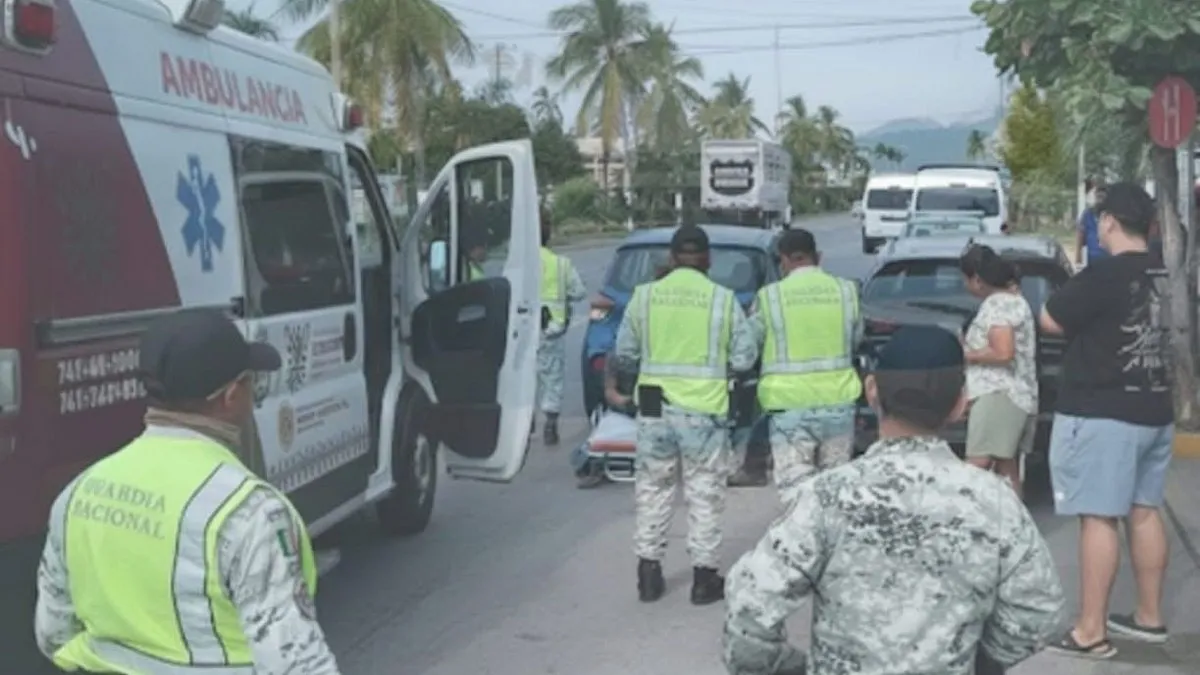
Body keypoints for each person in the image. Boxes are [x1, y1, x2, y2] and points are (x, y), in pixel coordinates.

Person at [723, 325, 1065, 675]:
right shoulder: (995, 501)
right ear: (961, 403)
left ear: (872, 391)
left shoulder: (827, 496)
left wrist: (790, 667)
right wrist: (981, 663)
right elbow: (1037, 612)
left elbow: (749, 608)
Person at [34, 308, 340, 675]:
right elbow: (297, 664)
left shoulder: (77, 496)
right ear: (230, 396)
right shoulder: (249, 511)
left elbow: (53, 634)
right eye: (251, 383)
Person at [1039, 182, 1174, 659]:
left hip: (1103, 412)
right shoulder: (1167, 275)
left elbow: (1051, 318)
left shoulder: (1104, 275)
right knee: (1144, 509)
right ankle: (1149, 616)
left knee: (1098, 517)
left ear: (1110, 222)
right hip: (1155, 408)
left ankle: (1090, 630)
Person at [612, 224, 758, 605]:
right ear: (707, 259)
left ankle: (648, 573)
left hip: (652, 405)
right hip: (703, 407)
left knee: (653, 488)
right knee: (704, 493)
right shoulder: (723, 300)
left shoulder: (644, 297)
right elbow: (744, 358)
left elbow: (625, 353)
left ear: (673, 258)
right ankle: (704, 580)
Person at [747, 228, 861, 507]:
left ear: (783, 260)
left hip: (789, 409)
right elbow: (855, 340)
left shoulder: (769, 297)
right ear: (818, 257)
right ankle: (831, 549)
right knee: (835, 493)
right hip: (838, 403)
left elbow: (750, 346)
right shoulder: (846, 291)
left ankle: (803, 548)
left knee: (796, 496)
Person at [960, 244, 1038, 497]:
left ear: (978, 279)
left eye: (965, 279)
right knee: (1006, 464)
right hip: (1012, 395)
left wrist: (964, 354)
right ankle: (1014, 522)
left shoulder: (999, 304)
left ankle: (958, 515)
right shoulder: (1012, 301)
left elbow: (1003, 352)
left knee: (978, 463)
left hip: (999, 394)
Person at [536, 208, 587, 445]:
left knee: (525, 380)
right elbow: (579, 292)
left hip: (523, 331)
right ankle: (550, 424)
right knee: (552, 379)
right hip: (552, 331)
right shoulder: (561, 264)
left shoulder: (519, 263)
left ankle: (523, 425)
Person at [1076, 180, 1108, 267]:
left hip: (1110, 259)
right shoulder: (1087, 214)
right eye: (1098, 197)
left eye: (1102, 197)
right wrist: (1078, 257)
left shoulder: (1112, 215)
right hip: (1092, 259)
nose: (1100, 200)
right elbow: (1080, 235)